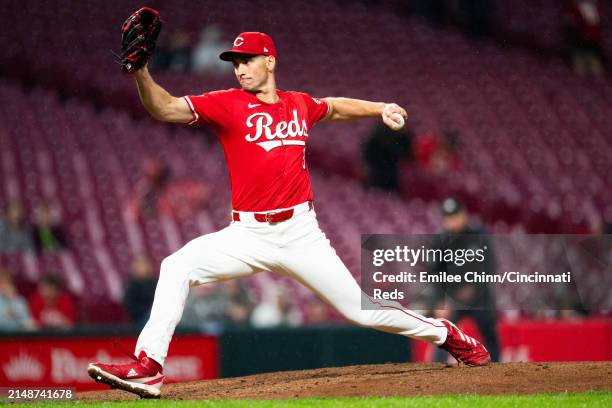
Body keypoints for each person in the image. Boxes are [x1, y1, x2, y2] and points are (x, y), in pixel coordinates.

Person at [89, 23, 489, 399]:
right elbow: (166, 108)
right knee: (176, 266)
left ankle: (446, 334)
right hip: (246, 235)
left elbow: (333, 106)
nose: (240, 68)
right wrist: (141, 72)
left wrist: (379, 107)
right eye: (235, 62)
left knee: (361, 310)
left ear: (270, 61)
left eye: (247, 60)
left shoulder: (298, 104)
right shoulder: (226, 104)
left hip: (300, 233)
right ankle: (149, 365)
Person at [428, 198, 501, 363]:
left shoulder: (480, 236)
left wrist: (473, 287)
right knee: (442, 333)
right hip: (452, 297)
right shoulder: (440, 241)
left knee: (489, 332)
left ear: (464, 215)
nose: (452, 220)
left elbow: (489, 266)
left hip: (479, 296)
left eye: (455, 215)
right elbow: (433, 273)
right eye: (448, 217)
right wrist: (439, 300)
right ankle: (436, 371)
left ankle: (497, 369)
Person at [123, 255, 157, 326]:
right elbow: (130, 305)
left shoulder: (154, 282)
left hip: (155, 313)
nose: (143, 268)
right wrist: (148, 310)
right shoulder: (131, 285)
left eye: (144, 265)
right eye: (141, 266)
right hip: (140, 318)